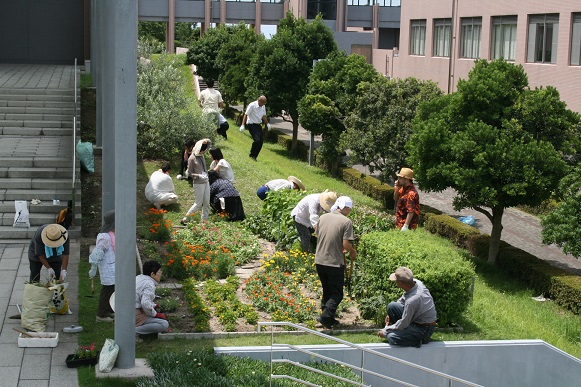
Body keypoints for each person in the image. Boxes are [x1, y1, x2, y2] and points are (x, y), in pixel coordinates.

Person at [314, 196, 357, 329]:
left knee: (327, 289)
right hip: (333, 262)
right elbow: (345, 243)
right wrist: (352, 251)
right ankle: (325, 317)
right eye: (349, 209)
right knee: (337, 293)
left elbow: (319, 234)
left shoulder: (323, 217)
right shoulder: (346, 222)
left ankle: (328, 319)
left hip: (319, 260)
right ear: (347, 208)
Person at [378, 267, 437, 347]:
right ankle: (402, 332)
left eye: (396, 280)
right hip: (417, 320)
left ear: (401, 283)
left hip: (424, 329)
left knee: (391, 337)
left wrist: (385, 331)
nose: (395, 282)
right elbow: (403, 299)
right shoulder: (416, 283)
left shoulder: (412, 300)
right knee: (392, 306)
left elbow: (404, 322)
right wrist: (390, 315)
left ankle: (420, 340)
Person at [89, 210, 116, 322]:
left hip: (113, 268)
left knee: (112, 289)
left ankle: (109, 310)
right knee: (107, 291)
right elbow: (98, 252)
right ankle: (101, 315)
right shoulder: (104, 237)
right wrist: (93, 268)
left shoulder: (111, 234)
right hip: (107, 269)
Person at [135, 260, 170, 338]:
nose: (161, 274)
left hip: (123, 311)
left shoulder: (139, 277)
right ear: (152, 274)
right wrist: (156, 314)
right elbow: (145, 304)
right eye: (159, 272)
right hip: (133, 314)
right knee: (164, 324)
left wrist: (154, 305)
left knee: (150, 312)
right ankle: (133, 331)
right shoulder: (149, 284)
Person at [182, 139, 211, 224]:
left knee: (206, 203)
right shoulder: (192, 158)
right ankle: (185, 219)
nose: (203, 152)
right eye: (202, 150)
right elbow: (189, 172)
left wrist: (205, 174)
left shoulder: (202, 156)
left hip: (206, 181)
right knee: (198, 203)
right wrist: (198, 175)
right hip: (198, 183)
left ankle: (204, 221)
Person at [239, 95, 270, 160]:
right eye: (263, 103)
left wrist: (267, 123)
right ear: (259, 101)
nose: (263, 104)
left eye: (264, 103)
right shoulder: (252, 105)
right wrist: (242, 125)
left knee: (261, 142)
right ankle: (251, 154)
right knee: (257, 140)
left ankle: (254, 156)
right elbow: (246, 114)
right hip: (251, 124)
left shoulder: (263, 106)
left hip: (258, 125)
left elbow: (263, 116)